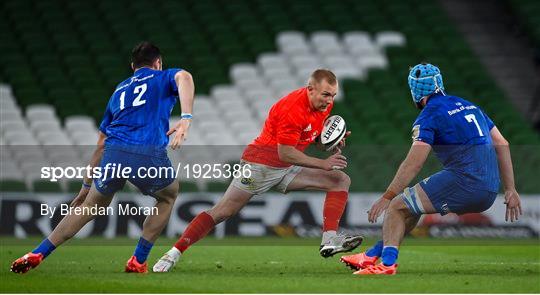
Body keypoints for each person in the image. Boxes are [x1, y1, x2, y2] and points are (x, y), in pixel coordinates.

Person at [152, 69, 363, 272]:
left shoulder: (323, 105)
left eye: (333, 95)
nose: (329, 100)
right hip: (259, 166)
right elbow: (285, 153)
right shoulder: (292, 109)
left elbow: (307, 137)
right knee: (222, 212)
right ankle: (174, 252)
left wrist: (329, 141)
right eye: (326, 94)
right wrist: (322, 163)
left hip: (285, 168)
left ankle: (329, 240)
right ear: (310, 88)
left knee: (339, 180)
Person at [10, 42, 195, 274]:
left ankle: (38, 251)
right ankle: (138, 260)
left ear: (132, 66)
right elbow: (185, 77)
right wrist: (186, 118)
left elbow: (100, 144)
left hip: (114, 153)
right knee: (168, 196)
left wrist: (86, 186)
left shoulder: (119, 91)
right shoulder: (163, 77)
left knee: (90, 205)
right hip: (145, 151)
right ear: (158, 63)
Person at [341, 63, 522, 275]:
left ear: (415, 91)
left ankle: (387, 265)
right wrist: (510, 189)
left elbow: (414, 162)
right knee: (411, 207)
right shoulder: (470, 105)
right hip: (491, 188)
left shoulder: (429, 115)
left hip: (465, 181)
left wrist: (387, 195)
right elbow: (503, 143)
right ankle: (371, 255)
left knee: (396, 207)